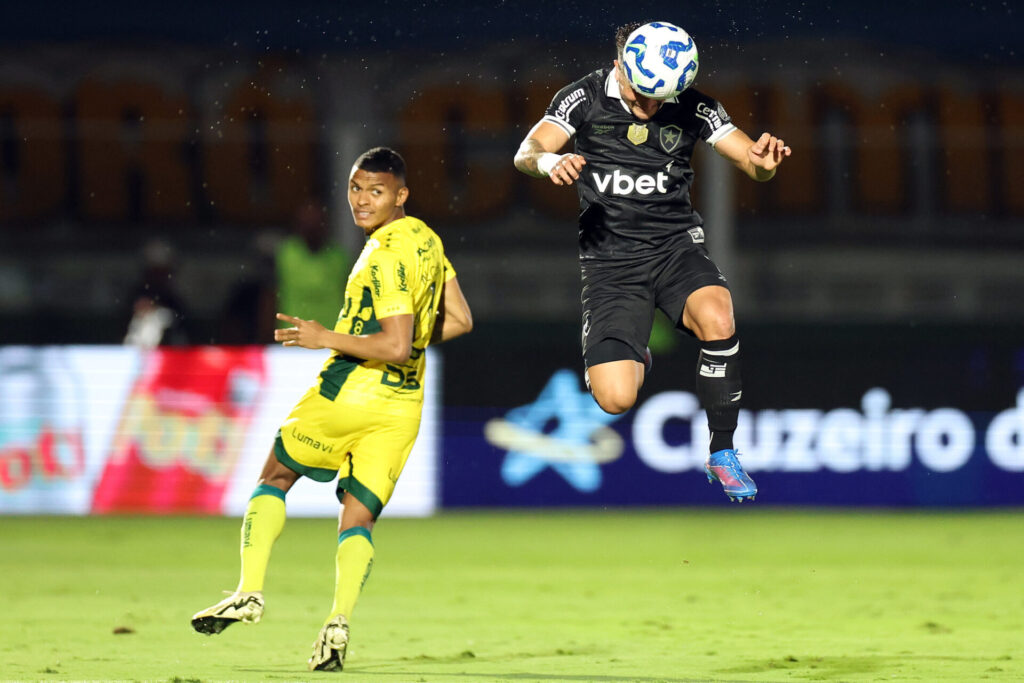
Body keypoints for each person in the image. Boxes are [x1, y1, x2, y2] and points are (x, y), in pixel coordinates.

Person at [190, 147, 473, 671]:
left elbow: (389, 345)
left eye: (376, 191)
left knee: (274, 476)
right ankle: (338, 622)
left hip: (351, 391)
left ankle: (249, 590)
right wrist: (407, 338)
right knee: (358, 517)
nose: (362, 201)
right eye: (355, 189)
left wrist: (327, 337)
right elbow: (460, 320)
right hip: (403, 405)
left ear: (400, 195)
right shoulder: (428, 241)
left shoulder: (382, 255)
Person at [513, 21, 791, 503]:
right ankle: (632, 348)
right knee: (615, 398)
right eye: (643, 94)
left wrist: (764, 165)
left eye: (662, 97)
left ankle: (722, 452)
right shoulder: (581, 97)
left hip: (674, 246)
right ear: (620, 64)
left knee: (718, 314)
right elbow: (527, 151)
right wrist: (548, 163)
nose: (651, 107)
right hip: (611, 265)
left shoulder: (693, 104)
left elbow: (750, 159)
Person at [276, 199, 352, 330]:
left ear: (325, 226)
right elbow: (270, 296)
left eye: (316, 225)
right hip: (293, 338)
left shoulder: (340, 258)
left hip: (332, 337)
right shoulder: (284, 255)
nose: (312, 229)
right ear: (298, 226)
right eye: (307, 225)